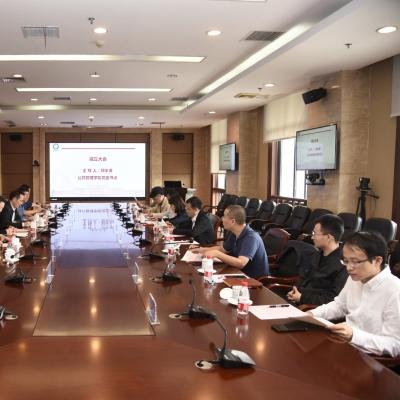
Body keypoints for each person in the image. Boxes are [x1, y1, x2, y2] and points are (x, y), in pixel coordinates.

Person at [311, 231, 400, 357]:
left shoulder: (395, 291)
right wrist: (312, 314)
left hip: (370, 358)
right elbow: (339, 305)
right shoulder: (355, 277)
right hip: (342, 344)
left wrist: (354, 335)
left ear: (377, 261)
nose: (349, 268)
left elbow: (395, 344)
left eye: (355, 261)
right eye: (346, 261)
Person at [193, 205, 269, 278]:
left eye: (224, 216)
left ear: (233, 221)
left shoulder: (251, 237)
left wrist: (217, 254)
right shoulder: (233, 232)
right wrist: (202, 250)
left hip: (253, 279)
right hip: (237, 272)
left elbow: (241, 263)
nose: (222, 219)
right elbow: (223, 249)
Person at [287, 214, 348, 305]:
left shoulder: (343, 265)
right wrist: (295, 290)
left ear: (329, 237)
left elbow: (333, 298)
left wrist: (302, 298)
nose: (312, 237)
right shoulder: (317, 254)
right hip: (298, 300)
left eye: (315, 233)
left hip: (311, 307)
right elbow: (303, 277)